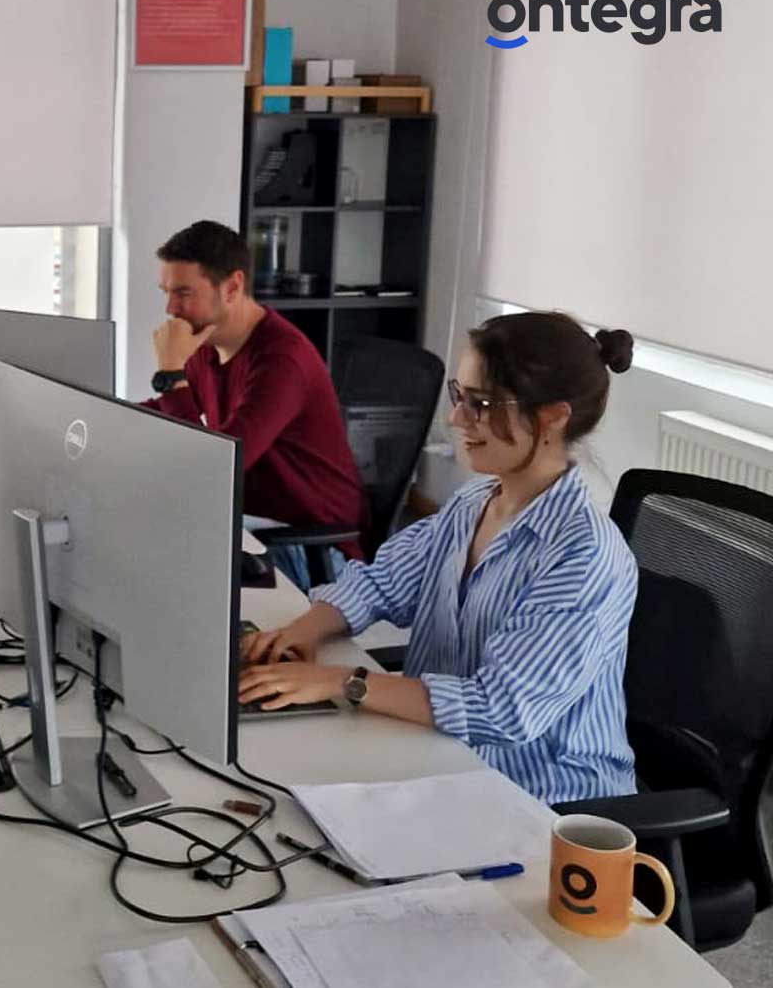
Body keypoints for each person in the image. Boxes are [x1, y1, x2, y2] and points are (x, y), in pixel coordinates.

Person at [239, 312, 639, 805]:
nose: (455, 419)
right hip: (442, 760)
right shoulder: (474, 504)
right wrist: (302, 632)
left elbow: (502, 709)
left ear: (552, 417)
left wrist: (342, 681)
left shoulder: (584, 556)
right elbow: (381, 582)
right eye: (460, 396)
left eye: (482, 404)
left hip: (542, 804)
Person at [142, 220, 364, 583]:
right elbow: (169, 412)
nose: (170, 308)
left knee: (165, 570)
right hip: (252, 525)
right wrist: (104, 422)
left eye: (183, 293)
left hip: (309, 548)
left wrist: (170, 373)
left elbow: (219, 466)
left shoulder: (282, 359)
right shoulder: (209, 346)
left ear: (232, 287)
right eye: (166, 292)